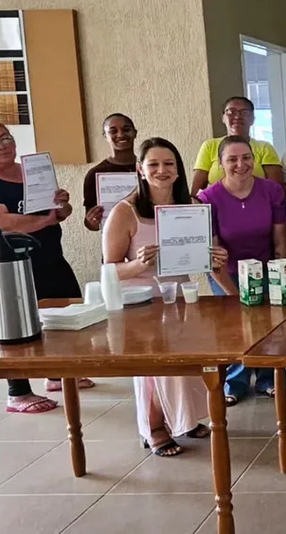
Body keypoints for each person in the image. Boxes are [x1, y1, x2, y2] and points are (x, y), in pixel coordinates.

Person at [101, 137, 226, 456]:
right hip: (140, 302)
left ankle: (184, 420)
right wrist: (138, 264)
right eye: (153, 164)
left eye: (169, 163)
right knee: (158, 369)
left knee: (187, 362)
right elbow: (109, 269)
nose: (162, 170)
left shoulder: (193, 206)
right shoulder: (125, 212)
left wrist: (217, 262)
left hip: (179, 296)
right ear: (140, 169)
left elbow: (208, 256)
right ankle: (155, 427)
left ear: (178, 169)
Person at [0, 120, 94, 413]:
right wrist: (46, 220)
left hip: (49, 257)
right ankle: (18, 392)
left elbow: (58, 212)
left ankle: (56, 373)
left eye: (5, 138)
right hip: (6, 269)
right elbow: (0, 223)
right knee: (14, 327)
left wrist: (61, 206)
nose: (1, 146)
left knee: (65, 312)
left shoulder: (30, 171)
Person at [197, 136, 286, 405]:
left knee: (267, 324)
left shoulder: (271, 190)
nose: (241, 164)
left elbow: (280, 237)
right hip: (226, 272)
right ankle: (235, 381)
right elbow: (212, 253)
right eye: (232, 159)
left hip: (266, 267)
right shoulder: (208, 198)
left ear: (254, 159)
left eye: (246, 157)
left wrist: (280, 274)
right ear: (220, 163)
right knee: (236, 325)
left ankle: (267, 379)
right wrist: (233, 293)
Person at [191, 96, 282, 196]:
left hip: (257, 203)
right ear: (223, 117)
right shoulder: (209, 146)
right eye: (231, 112)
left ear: (253, 119)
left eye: (245, 112)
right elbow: (196, 193)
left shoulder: (265, 148)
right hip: (216, 204)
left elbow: (276, 192)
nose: (237, 117)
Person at [82, 113, 137, 231]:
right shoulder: (95, 174)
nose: (120, 135)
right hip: (114, 237)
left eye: (126, 129)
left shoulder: (148, 168)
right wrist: (92, 221)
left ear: (135, 133)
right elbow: (91, 225)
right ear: (105, 136)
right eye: (113, 131)